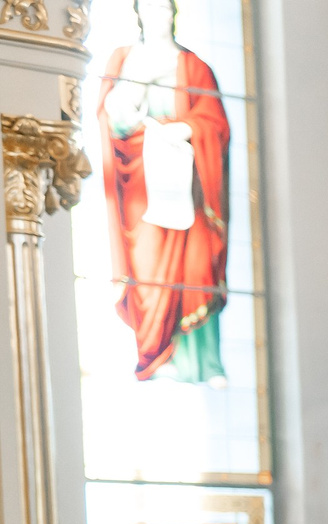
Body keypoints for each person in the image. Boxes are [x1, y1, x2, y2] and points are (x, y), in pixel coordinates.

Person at [98, 0, 232, 381]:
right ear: (138, 12)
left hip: (185, 181)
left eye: (165, 6)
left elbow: (215, 122)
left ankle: (200, 363)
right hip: (140, 185)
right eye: (151, 6)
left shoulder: (195, 66)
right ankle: (156, 354)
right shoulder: (124, 60)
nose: (160, 14)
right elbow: (113, 118)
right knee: (149, 265)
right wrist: (135, 94)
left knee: (193, 267)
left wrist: (186, 129)